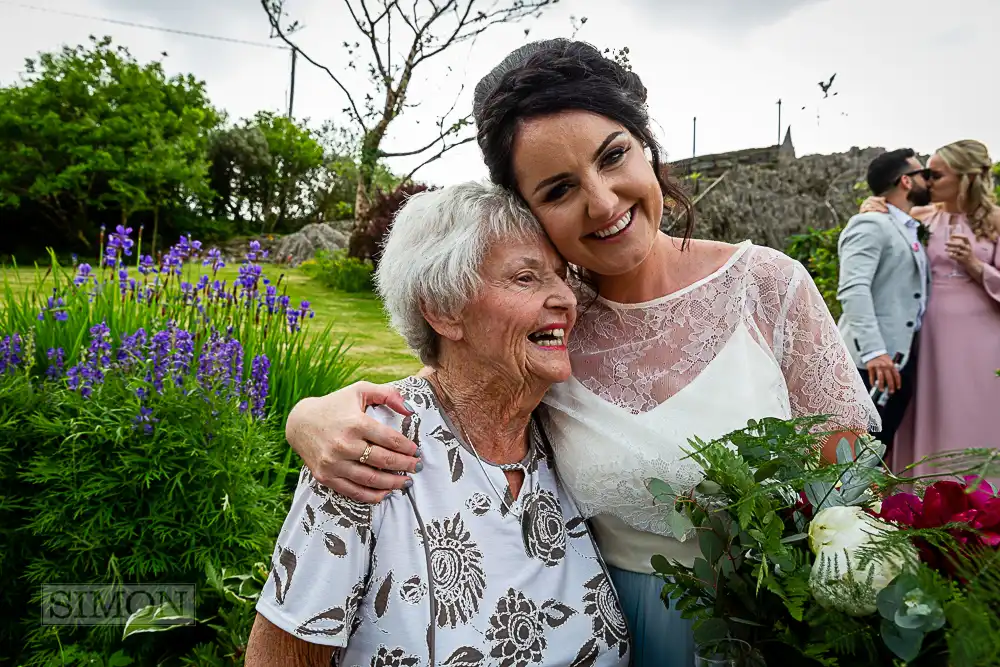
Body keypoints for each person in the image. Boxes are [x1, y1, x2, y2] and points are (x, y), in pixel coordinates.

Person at [279, 40, 879, 666]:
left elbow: (851, 478)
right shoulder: (552, 328)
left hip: (782, 628)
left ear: (647, 147)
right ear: (532, 214)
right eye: (559, 189)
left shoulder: (771, 286)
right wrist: (312, 417)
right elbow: (450, 387)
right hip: (619, 632)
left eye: (613, 156)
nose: (602, 202)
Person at [245, 182, 631, 666]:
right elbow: (282, 658)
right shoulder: (371, 448)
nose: (565, 299)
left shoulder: (566, 427)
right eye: (526, 278)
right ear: (445, 311)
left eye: (561, 276)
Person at [858, 139, 1000, 472]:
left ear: (965, 177)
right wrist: (872, 206)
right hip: (925, 332)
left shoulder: (995, 221)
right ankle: (924, 497)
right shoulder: (918, 217)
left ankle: (984, 500)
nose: (927, 182)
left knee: (975, 406)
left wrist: (976, 267)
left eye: (935, 175)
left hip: (982, 335)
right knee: (927, 407)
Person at [836, 148, 932, 456]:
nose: (929, 181)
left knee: (874, 455)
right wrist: (876, 352)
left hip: (898, 360)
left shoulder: (904, 225)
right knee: (853, 459)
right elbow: (853, 289)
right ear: (906, 181)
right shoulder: (870, 225)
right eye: (924, 175)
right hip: (873, 364)